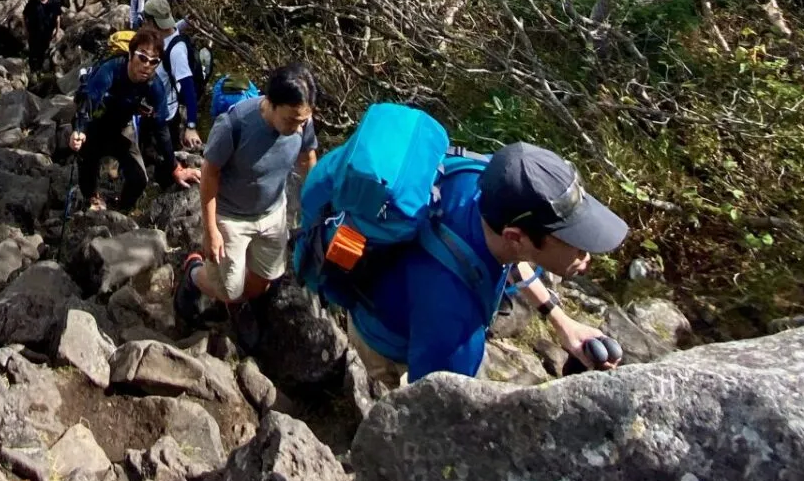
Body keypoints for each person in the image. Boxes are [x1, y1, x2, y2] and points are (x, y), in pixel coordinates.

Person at [346, 141, 629, 390]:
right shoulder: (454, 326)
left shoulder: (490, 182)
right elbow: (436, 411)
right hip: (383, 338)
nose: (588, 257)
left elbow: (509, 256)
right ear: (515, 237)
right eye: (578, 246)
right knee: (390, 401)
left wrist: (561, 321)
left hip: (394, 290)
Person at [175, 63, 318, 350]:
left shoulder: (301, 120)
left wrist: (317, 203)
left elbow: (307, 159)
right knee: (228, 287)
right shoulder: (235, 125)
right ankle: (193, 272)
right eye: (291, 120)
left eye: (303, 120)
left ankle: (236, 305)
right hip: (232, 217)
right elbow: (210, 174)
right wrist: (211, 229)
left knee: (265, 280)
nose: (298, 127)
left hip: (273, 212)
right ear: (271, 103)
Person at [70, 32, 200, 211]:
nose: (147, 65)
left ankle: (121, 210)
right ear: (131, 55)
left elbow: (161, 129)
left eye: (154, 61)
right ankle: (91, 197)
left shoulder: (154, 87)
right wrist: (79, 131)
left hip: (121, 128)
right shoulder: (111, 70)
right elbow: (88, 102)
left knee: (139, 179)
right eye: (142, 57)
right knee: (87, 163)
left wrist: (175, 168)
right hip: (95, 124)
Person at [140, 0, 202, 148]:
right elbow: (174, 29)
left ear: (153, 22)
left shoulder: (176, 52)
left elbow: (188, 88)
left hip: (163, 118)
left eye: (146, 19)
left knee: (161, 165)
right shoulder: (166, 33)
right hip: (148, 110)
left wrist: (191, 126)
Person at [23, 0, 64, 77]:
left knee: (43, 49)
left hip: (47, 31)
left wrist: (57, 30)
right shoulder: (33, 2)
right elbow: (24, 15)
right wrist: (25, 29)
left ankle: (40, 70)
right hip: (34, 31)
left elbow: (58, 17)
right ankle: (32, 71)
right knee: (33, 51)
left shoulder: (54, 1)